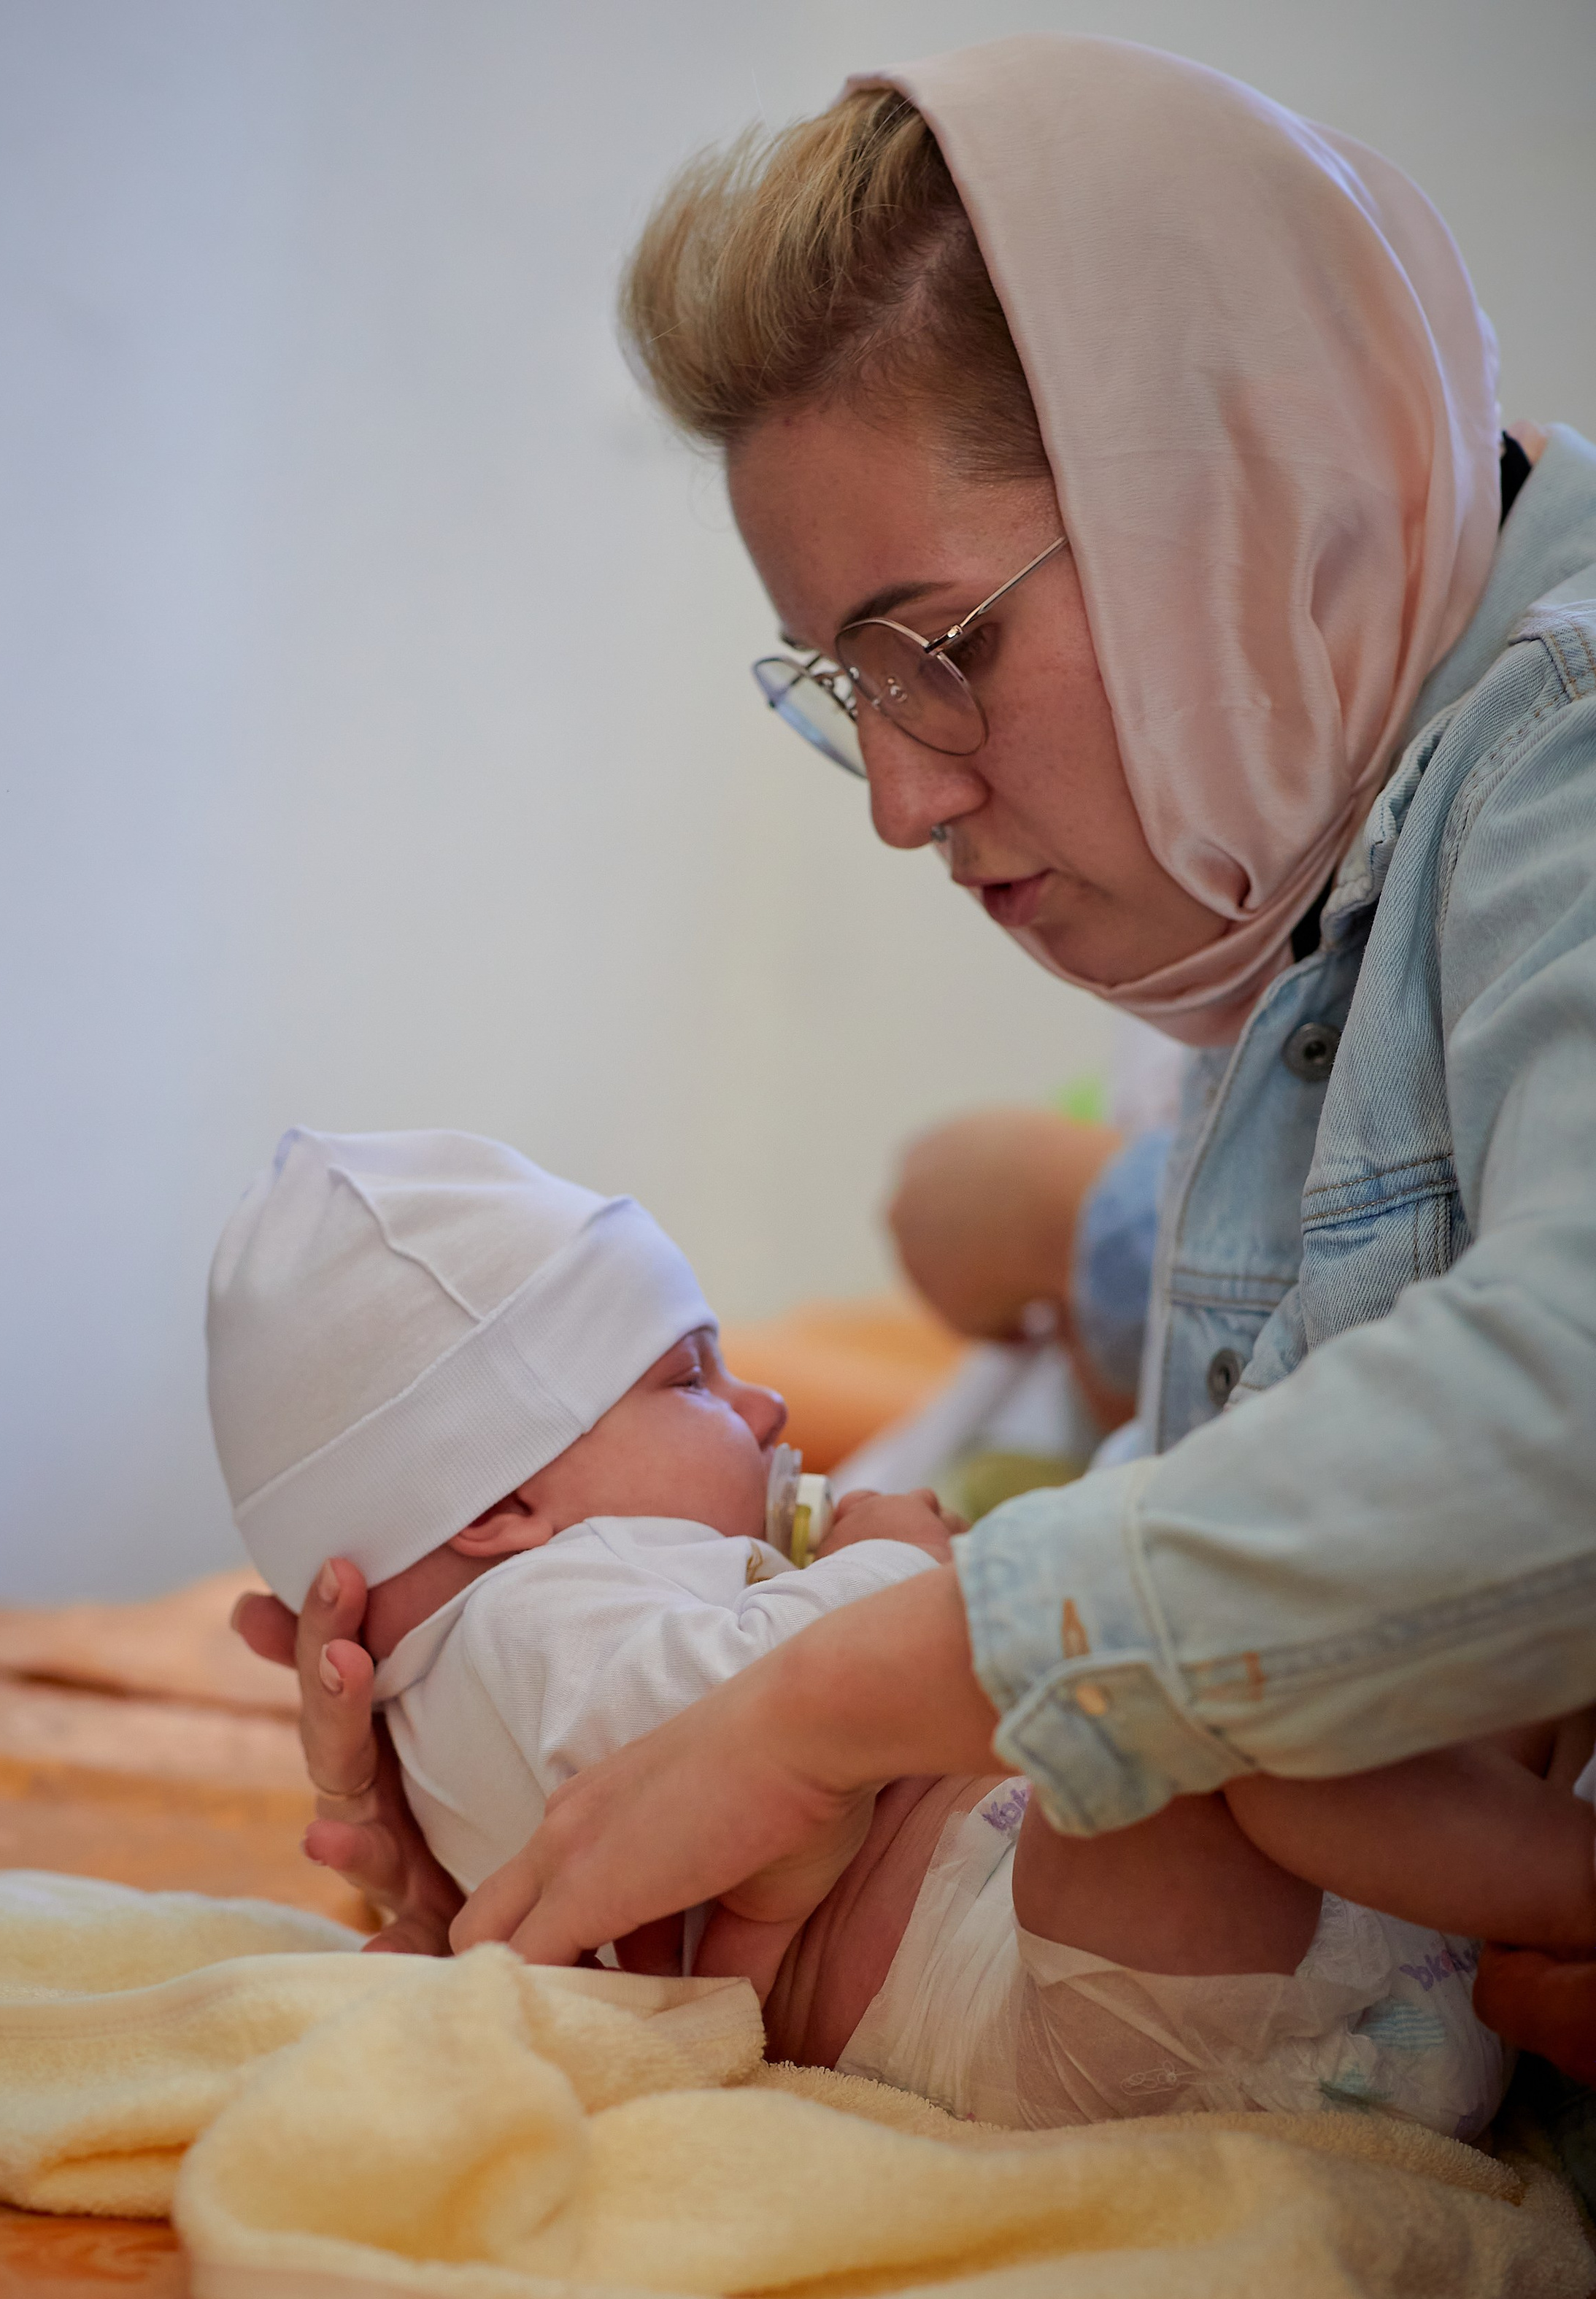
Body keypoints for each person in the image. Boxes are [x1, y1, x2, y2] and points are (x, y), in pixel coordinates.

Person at [239, 36, 1596, 2087]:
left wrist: (831, 1701)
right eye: (841, 691)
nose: (892, 798)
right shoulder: (1295, 913)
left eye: (937, 652)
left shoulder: (1557, 758)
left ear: (1230, 498)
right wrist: (590, 1871)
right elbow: (1248, 1579)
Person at [212, 1127, 1596, 2137]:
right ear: (505, 1500)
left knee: (1268, 1670)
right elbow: (708, 1710)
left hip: (1250, 1979)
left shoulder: (506, 1663)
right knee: (1158, 1694)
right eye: (689, 1375)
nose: (760, 1407)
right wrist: (885, 1569)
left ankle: (1525, 1874)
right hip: (1074, 2013)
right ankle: (1558, 1885)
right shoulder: (532, 1621)